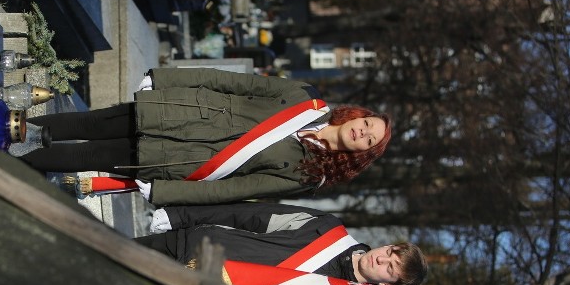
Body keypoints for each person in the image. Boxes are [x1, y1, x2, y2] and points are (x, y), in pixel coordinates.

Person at [20, 67, 391, 205]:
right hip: (178, 111)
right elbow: (231, 82)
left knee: (90, 159)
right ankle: (12, 126)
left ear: (362, 153)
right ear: (359, 115)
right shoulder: (303, 98)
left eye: (369, 140)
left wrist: (167, 192)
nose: (363, 132)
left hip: (177, 161)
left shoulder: (308, 176)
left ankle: (16, 163)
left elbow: (233, 190)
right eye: (368, 124)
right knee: (90, 125)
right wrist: (166, 79)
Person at [135, 202, 428, 285]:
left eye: (391, 269)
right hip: (191, 247)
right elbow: (254, 215)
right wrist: (182, 214)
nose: (382, 259)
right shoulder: (328, 228)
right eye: (390, 253)